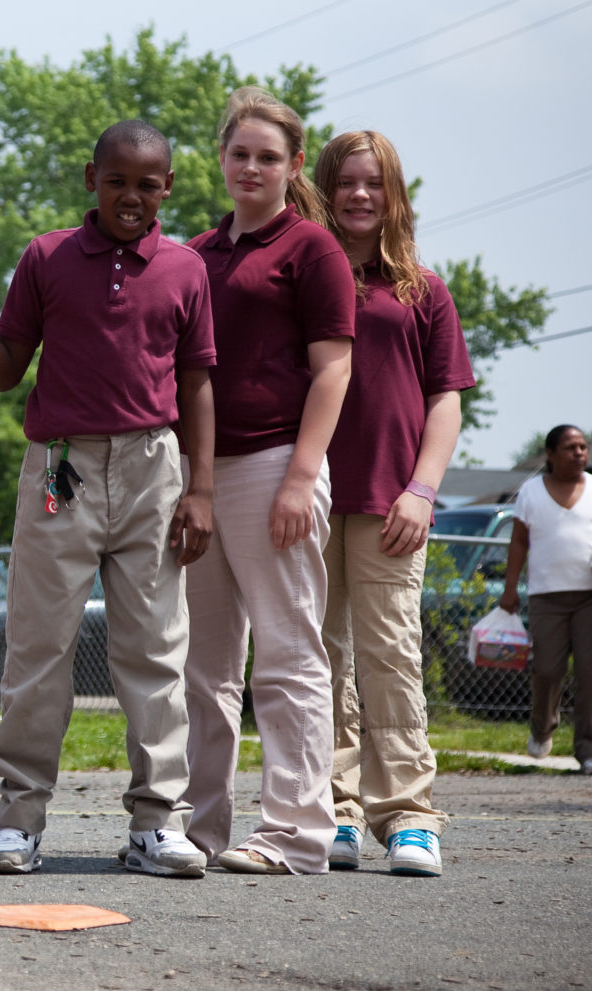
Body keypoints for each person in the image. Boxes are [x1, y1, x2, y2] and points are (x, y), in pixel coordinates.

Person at [0, 120, 217, 878]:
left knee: (154, 649)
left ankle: (157, 823)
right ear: (92, 179)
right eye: (117, 180)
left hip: (154, 466)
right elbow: (3, 370)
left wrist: (202, 489)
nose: (131, 196)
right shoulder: (48, 256)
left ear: (168, 190)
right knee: (37, 647)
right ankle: (19, 817)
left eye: (147, 184)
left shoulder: (185, 269)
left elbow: (197, 384)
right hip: (62, 467)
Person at [181, 87, 356, 876]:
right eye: (239, 153)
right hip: (196, 481)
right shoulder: (192, 253)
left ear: (290, 167)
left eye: (268, 157)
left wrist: (301, 476)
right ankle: (198, 828)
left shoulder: (311, 249)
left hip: (273, 468)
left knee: (287, 657)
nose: (251, 167)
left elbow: (336, 369)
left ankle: (296, 834)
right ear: (221, 158)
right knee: (203, 666)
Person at [313, 131, 474, 877]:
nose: (359, 195)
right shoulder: (302, 278)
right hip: (306, 493)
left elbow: (445, 400)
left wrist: (421, 489)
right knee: (317, 661)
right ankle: (332, 811)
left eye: (374, 182)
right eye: (345, 181)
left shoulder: (422, 288)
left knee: (391, 658)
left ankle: (408, 815)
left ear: (394, 193)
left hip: (390, 501)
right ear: (323, 187)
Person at [500, 425, 592, 776]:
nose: (579, 453)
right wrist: (510, 588)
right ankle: (542, 725)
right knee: (547, 668)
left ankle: (591, 750)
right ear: (550, 454)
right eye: (570, 447)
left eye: (582, 447)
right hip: (546, 595)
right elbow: (518, 542)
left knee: (591, 670)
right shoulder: (531, 491)